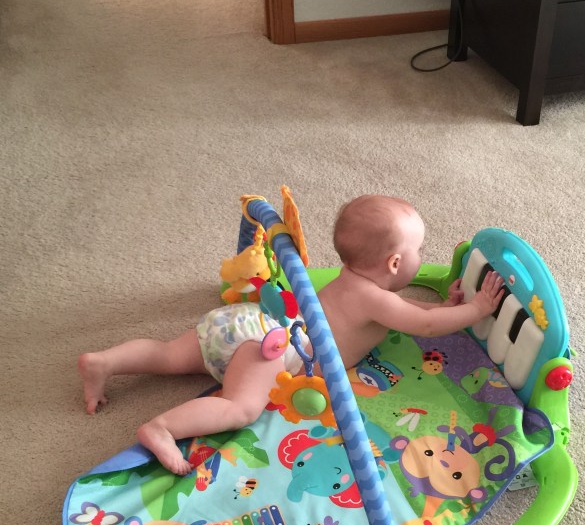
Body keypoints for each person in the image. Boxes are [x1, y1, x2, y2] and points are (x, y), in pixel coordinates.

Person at [78, 194, 505, 474]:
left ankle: (105, 361)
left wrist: (446, 308)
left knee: (170, 355)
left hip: (247, 320)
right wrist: (476, 310)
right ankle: (162, 428)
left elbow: (414, 312)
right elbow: (423, 325)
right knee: (239, 409)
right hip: (272, 351)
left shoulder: (353, 283)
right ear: (395, 263)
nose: (422, 257)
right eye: (420, 251)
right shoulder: (376, 299)